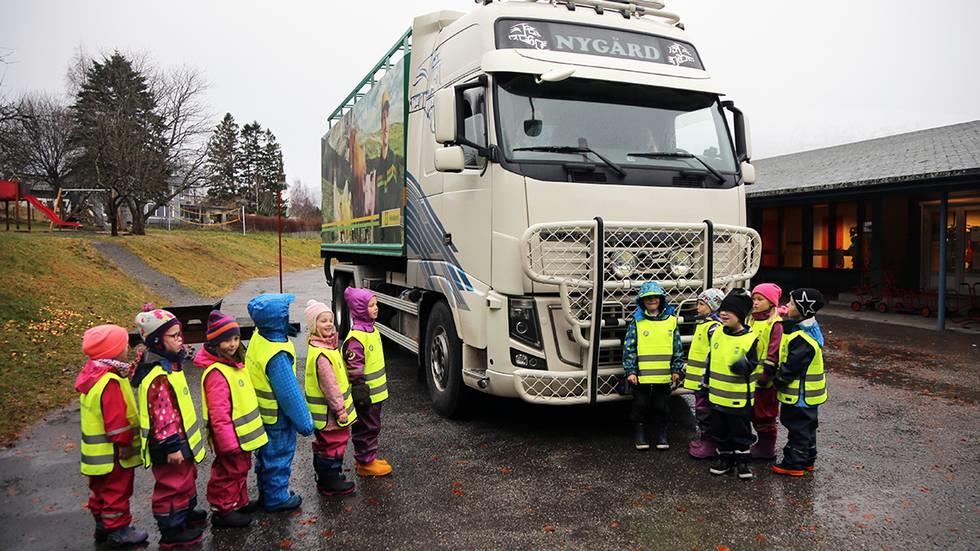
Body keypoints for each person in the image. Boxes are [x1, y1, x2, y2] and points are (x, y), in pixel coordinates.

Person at [133, 308, 208, 548]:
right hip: (169, 444)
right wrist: (171, 446)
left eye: (180, 334)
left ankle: (185, 512)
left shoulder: (169, 363)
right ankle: (172, 529)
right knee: (172, 485)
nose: (180, 340)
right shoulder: (158, 375)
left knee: (187, 477)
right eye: (174, 336)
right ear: (157, 341)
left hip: (180, 438)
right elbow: (162, 415)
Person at [76, 324, 148, 547]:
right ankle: (119, 529)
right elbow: (116, 419)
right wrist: (124, 442)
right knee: (118, 490)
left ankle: (102, 524)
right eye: (123, 344)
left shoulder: (93, 374)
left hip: (96, 453)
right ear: (112, 350)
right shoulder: (110, 382)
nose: (126, 347)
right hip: (114, 451)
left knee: (99, 489)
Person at [195, 311, 268, 528]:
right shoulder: (217, 373)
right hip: (230, 438)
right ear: (215, 342)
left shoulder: (234, 364)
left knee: (240, 469)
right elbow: (219, 413)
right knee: (227, 473)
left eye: (236, 338)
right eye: (226, 340)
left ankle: (238, 501)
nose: (232, 344)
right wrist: (227, 443)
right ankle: (223, 510)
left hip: (241, 437)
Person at [245, 294, 315, 512]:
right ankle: (277, 498)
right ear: (278, 319)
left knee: (265, 456)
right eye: (285, 313)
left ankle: (267, 493)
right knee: (279, 456)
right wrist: (305, 423)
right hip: (277, 417)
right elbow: (289, 394)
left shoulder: (259, 337)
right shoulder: (277, 355)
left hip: (262, 414)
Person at [771, 289, 828, 476]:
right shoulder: (809, 329)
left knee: (798, 428)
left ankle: (794, 463)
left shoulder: (802, 339)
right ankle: (807, 460)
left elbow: (792, 366)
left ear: (804, 309)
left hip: (799, 395)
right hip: (809, 395)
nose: (787, 305)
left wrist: (778, 380)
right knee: (808, 428)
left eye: (793, 304)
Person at [705, 291, 761, 480]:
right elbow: (710, 360)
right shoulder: (717, 333)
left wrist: (745, 366)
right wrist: (705, 383)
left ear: (742, 315)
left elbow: (755, 365)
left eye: (731, 311)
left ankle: (743, 462)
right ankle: (725, 460)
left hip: (738, 400)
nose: (724, 314)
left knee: (741, 432)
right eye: (722, 310)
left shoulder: (750, 339)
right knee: (720, 431)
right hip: (717, 397)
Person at [304, 300, 358, 495]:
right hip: (332, 415)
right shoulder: (323, 354)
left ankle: (326, 476)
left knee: (324, 444)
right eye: (322, 321)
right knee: (334, 445)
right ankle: (330, 481)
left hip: (325, 415)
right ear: (313, 326)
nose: (328, 324)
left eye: (330, 320)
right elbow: (331, 387)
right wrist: (341, 411)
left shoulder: (323, 348)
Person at [623, 281, 684, 451]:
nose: (651, 300)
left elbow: (677, 347)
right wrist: (631, 370)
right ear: (642, 301)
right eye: (647, 298)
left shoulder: (671, 321)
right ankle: (639, 433)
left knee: (662, 407)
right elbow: (630, 348)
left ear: (661, 299)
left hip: (663, 376)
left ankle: (662, 434)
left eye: (655, 297)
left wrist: (677, 369)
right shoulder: (636, 322)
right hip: (641, 376)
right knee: (640, 405)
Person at [343, 287, 393, 476]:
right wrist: (359, 390)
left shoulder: (371, 330)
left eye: (376, 304)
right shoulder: (357, 337)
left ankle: (368, 457)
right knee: (366, 427)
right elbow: (354, 367)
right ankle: (365, 463)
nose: (376, 308)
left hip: (375, 394)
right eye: (371, 305)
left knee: (372, 426)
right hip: (367, 395)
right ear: (360, 309)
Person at [683, 288, 726, 459]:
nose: (698, 308)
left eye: (701, 304)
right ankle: (705, 439)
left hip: (706, 378)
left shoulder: (714, 327)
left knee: (705, 410)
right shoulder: (705, 324)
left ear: (713, 306)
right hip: (700, 378)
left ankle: (709, 443)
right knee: (701, 408)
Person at [747, 283, 784, 460]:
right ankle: (759, 442)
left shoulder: (775, 324)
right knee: (753, 412)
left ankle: (767, 447)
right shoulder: (751, 320)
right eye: (754, 299)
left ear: (771, 302)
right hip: (750, 377)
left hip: (765, 380)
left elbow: (774, 351)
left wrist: (767, 373)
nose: (755, 303)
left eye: (760, 299)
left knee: (765, 414)